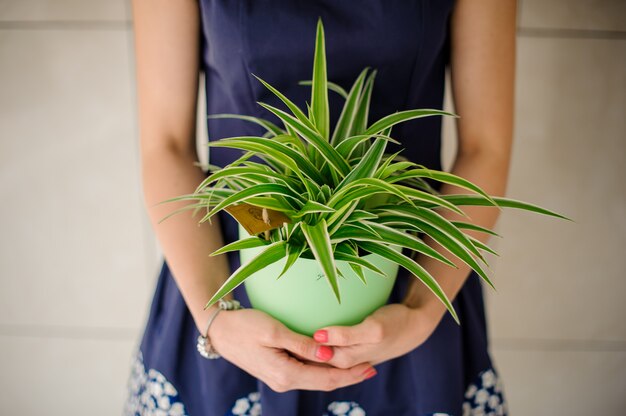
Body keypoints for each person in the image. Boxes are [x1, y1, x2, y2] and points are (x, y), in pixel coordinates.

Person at [125, 0, 515, 415]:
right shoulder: (220, 310)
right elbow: (165, 146)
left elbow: (484, 147)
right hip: (227, 281)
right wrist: (215, 320)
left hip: (412, 278)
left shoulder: (417, 308)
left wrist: (421, 312)